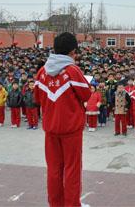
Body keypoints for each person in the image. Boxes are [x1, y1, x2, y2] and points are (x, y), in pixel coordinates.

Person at [34, 32, 92, 207]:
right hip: (71, 130)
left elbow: (37, 97)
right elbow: (86, 94)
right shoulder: (72, 70)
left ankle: (55, 204)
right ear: (73, 51)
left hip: (50, 129)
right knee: (72, 170)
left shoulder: (42, 71)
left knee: (54, 169)